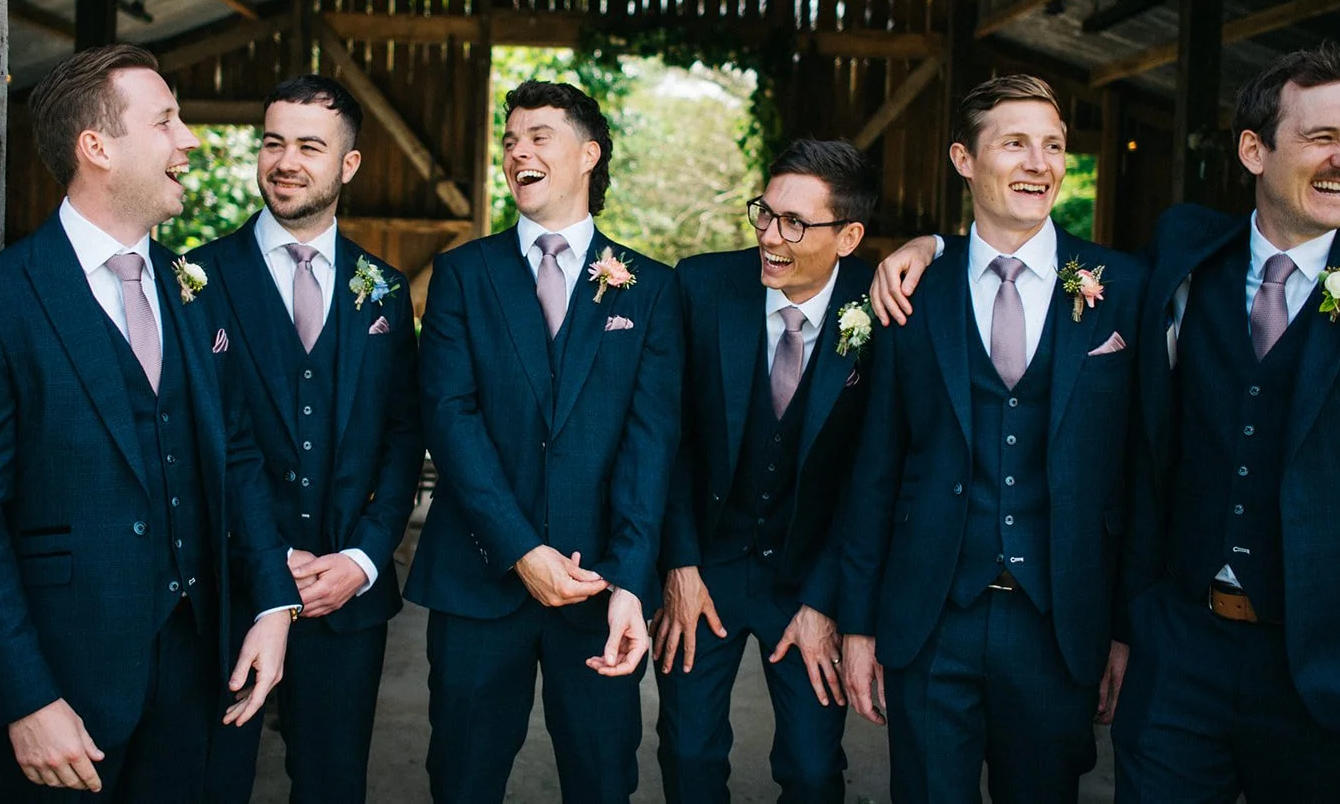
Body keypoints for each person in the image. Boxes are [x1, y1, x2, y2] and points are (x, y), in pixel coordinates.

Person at [0, 44, 296, 801]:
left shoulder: (191, 286)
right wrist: (25, 696)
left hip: (200, 680)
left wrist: (272, 600)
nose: (189, 139)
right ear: (97, 146)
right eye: (166, 121)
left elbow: (240, 455)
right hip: (66, 690)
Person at [1108, 45, 1340, 801]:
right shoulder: (1186, 250)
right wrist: (935, 248)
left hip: (1336, 668)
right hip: (1182, 649)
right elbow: (1064, 283)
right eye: (1323, 136)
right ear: (1253, 150)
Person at [840, 74, 1141, 804]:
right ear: (963, 159)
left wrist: (1127, 627)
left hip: (1059, 621)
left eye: (1054, 146)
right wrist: (857, 622)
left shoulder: (1125, 286)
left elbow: (1141, 471)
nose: (1039, 163)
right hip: (933, 615)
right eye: (1015, 144)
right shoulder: (911, 293)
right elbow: (876, 466)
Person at [406, 79, 682, 803]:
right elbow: (449, 415)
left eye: (538, 135)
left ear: (588, 154)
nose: (517, 150)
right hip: (476, 577)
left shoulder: (648, 287)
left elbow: (650, 443)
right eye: (509, 139)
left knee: (602, 781)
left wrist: (630, 582)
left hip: (598, 588)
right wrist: (522, 551)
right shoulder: (464, 273)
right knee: (461, 781)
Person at [197, 75, 424, 804]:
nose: (285, 160)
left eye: (308, 146)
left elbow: (401, 434)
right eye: (272, 142)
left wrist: (362, 557)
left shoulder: (383, 289)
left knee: (332, 787)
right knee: (211, 783)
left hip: (344, 597)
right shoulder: (194, 279)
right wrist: (264, 556)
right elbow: (193, 441)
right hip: (227, 594)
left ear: (348, 165)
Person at [654, 138, 879, 803]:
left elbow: (874, 475)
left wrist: (826, 600)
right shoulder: (699, 286)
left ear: (849, 236)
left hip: (810, 574)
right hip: (706, 566)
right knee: (688, 752)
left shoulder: (887, 306)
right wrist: (680, 562)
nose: (770, 237)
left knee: (812, 769)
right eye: (765, 213)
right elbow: (668, 438)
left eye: (794, 223)